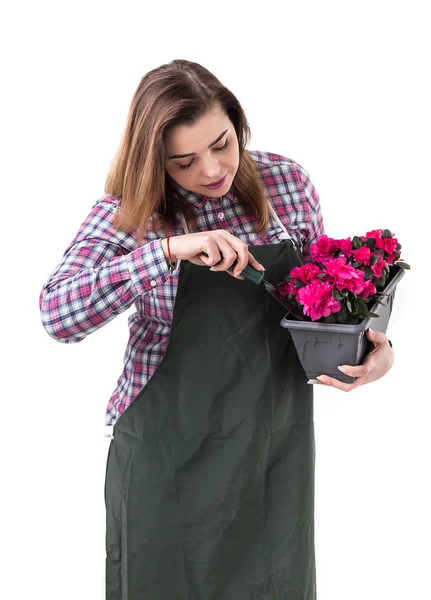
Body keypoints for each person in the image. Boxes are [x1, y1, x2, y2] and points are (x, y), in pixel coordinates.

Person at [39, 59, 395, 599]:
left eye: (222, 144)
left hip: (274, 455)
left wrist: (375, 347)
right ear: (154, 161)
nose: (211, 169)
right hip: (166, 458)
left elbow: (324, 302)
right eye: (183, 161)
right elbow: (56, 314)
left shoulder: (287, 184)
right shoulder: (131, 212)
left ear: (236, 123)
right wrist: (164, 251)